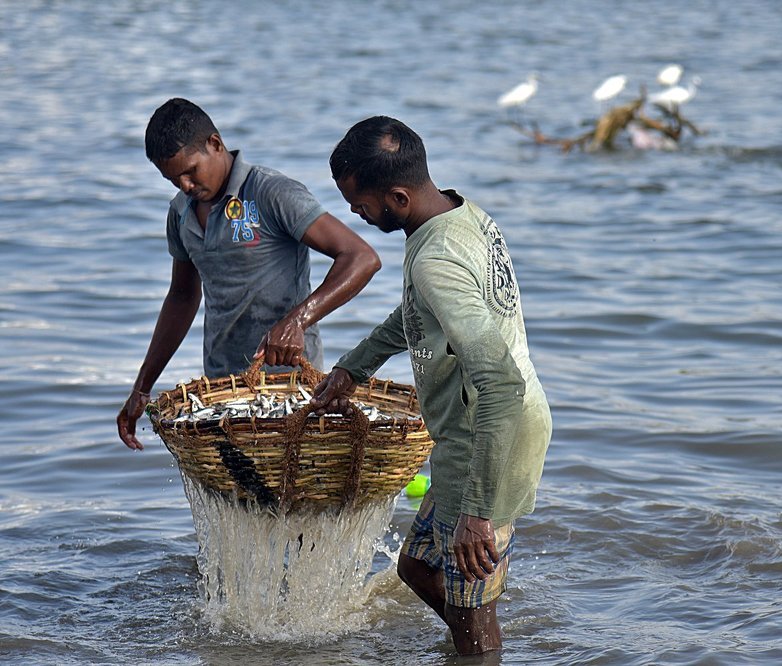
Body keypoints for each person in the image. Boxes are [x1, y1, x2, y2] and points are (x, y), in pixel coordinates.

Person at [310, 116, 551, 656]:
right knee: (417, 567)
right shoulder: (457, 215)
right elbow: (420, 313)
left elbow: (500, 385)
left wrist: (477, 512)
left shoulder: (436, 259)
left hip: (489, 443)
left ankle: (478, 646)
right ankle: (471, 644)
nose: (354, 213)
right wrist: (355, 367)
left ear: (397, 195)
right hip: (471, 439)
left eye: (360, 203)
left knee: (472, 612)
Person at [117, 98, 381, 450]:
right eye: (172, 178)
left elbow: (361, 257)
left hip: (289, 385)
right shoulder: (180, 213)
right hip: (222, 388)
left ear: (215, 144)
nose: (184, 185)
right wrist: (142, 386)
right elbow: (181, 297)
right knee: (238, 493)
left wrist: (297, 321)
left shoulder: (272, 193)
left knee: (292, 493)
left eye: (191, 171)